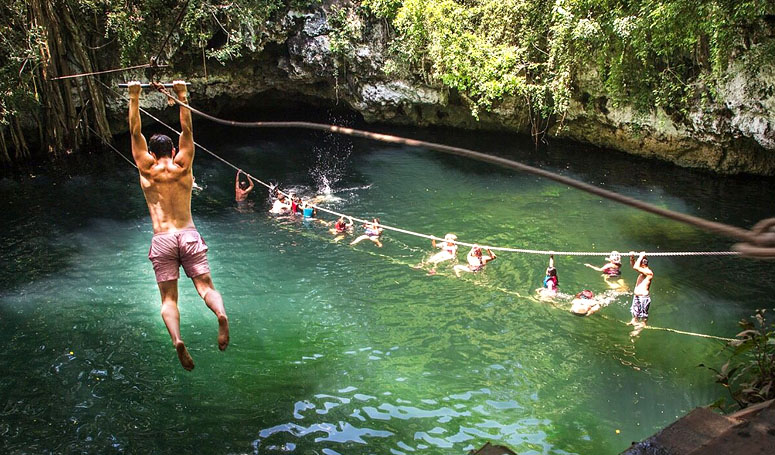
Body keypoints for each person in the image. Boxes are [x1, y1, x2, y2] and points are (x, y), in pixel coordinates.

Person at [128, 80, 229, 371]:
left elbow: (135, 131)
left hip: (162, 239)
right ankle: (220, 316)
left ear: (151, 152)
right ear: (173, 152)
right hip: (188, 234)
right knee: (206, 288)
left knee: (169, 299)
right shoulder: (183, 166)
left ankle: (177, 340)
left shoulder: (146, 168)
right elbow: (187, 130)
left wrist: (134, 95)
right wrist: (180, 93)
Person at [628, 251, 653, 336]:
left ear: (643, 263)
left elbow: (635, 267)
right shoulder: (642, 272)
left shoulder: (649, 272)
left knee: (643, 315)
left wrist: (640, 256)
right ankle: (634, 320)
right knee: (635, 312)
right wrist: (632, 257)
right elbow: (634, 266)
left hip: (643, 298)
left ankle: (642, 325)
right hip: (637, 296)